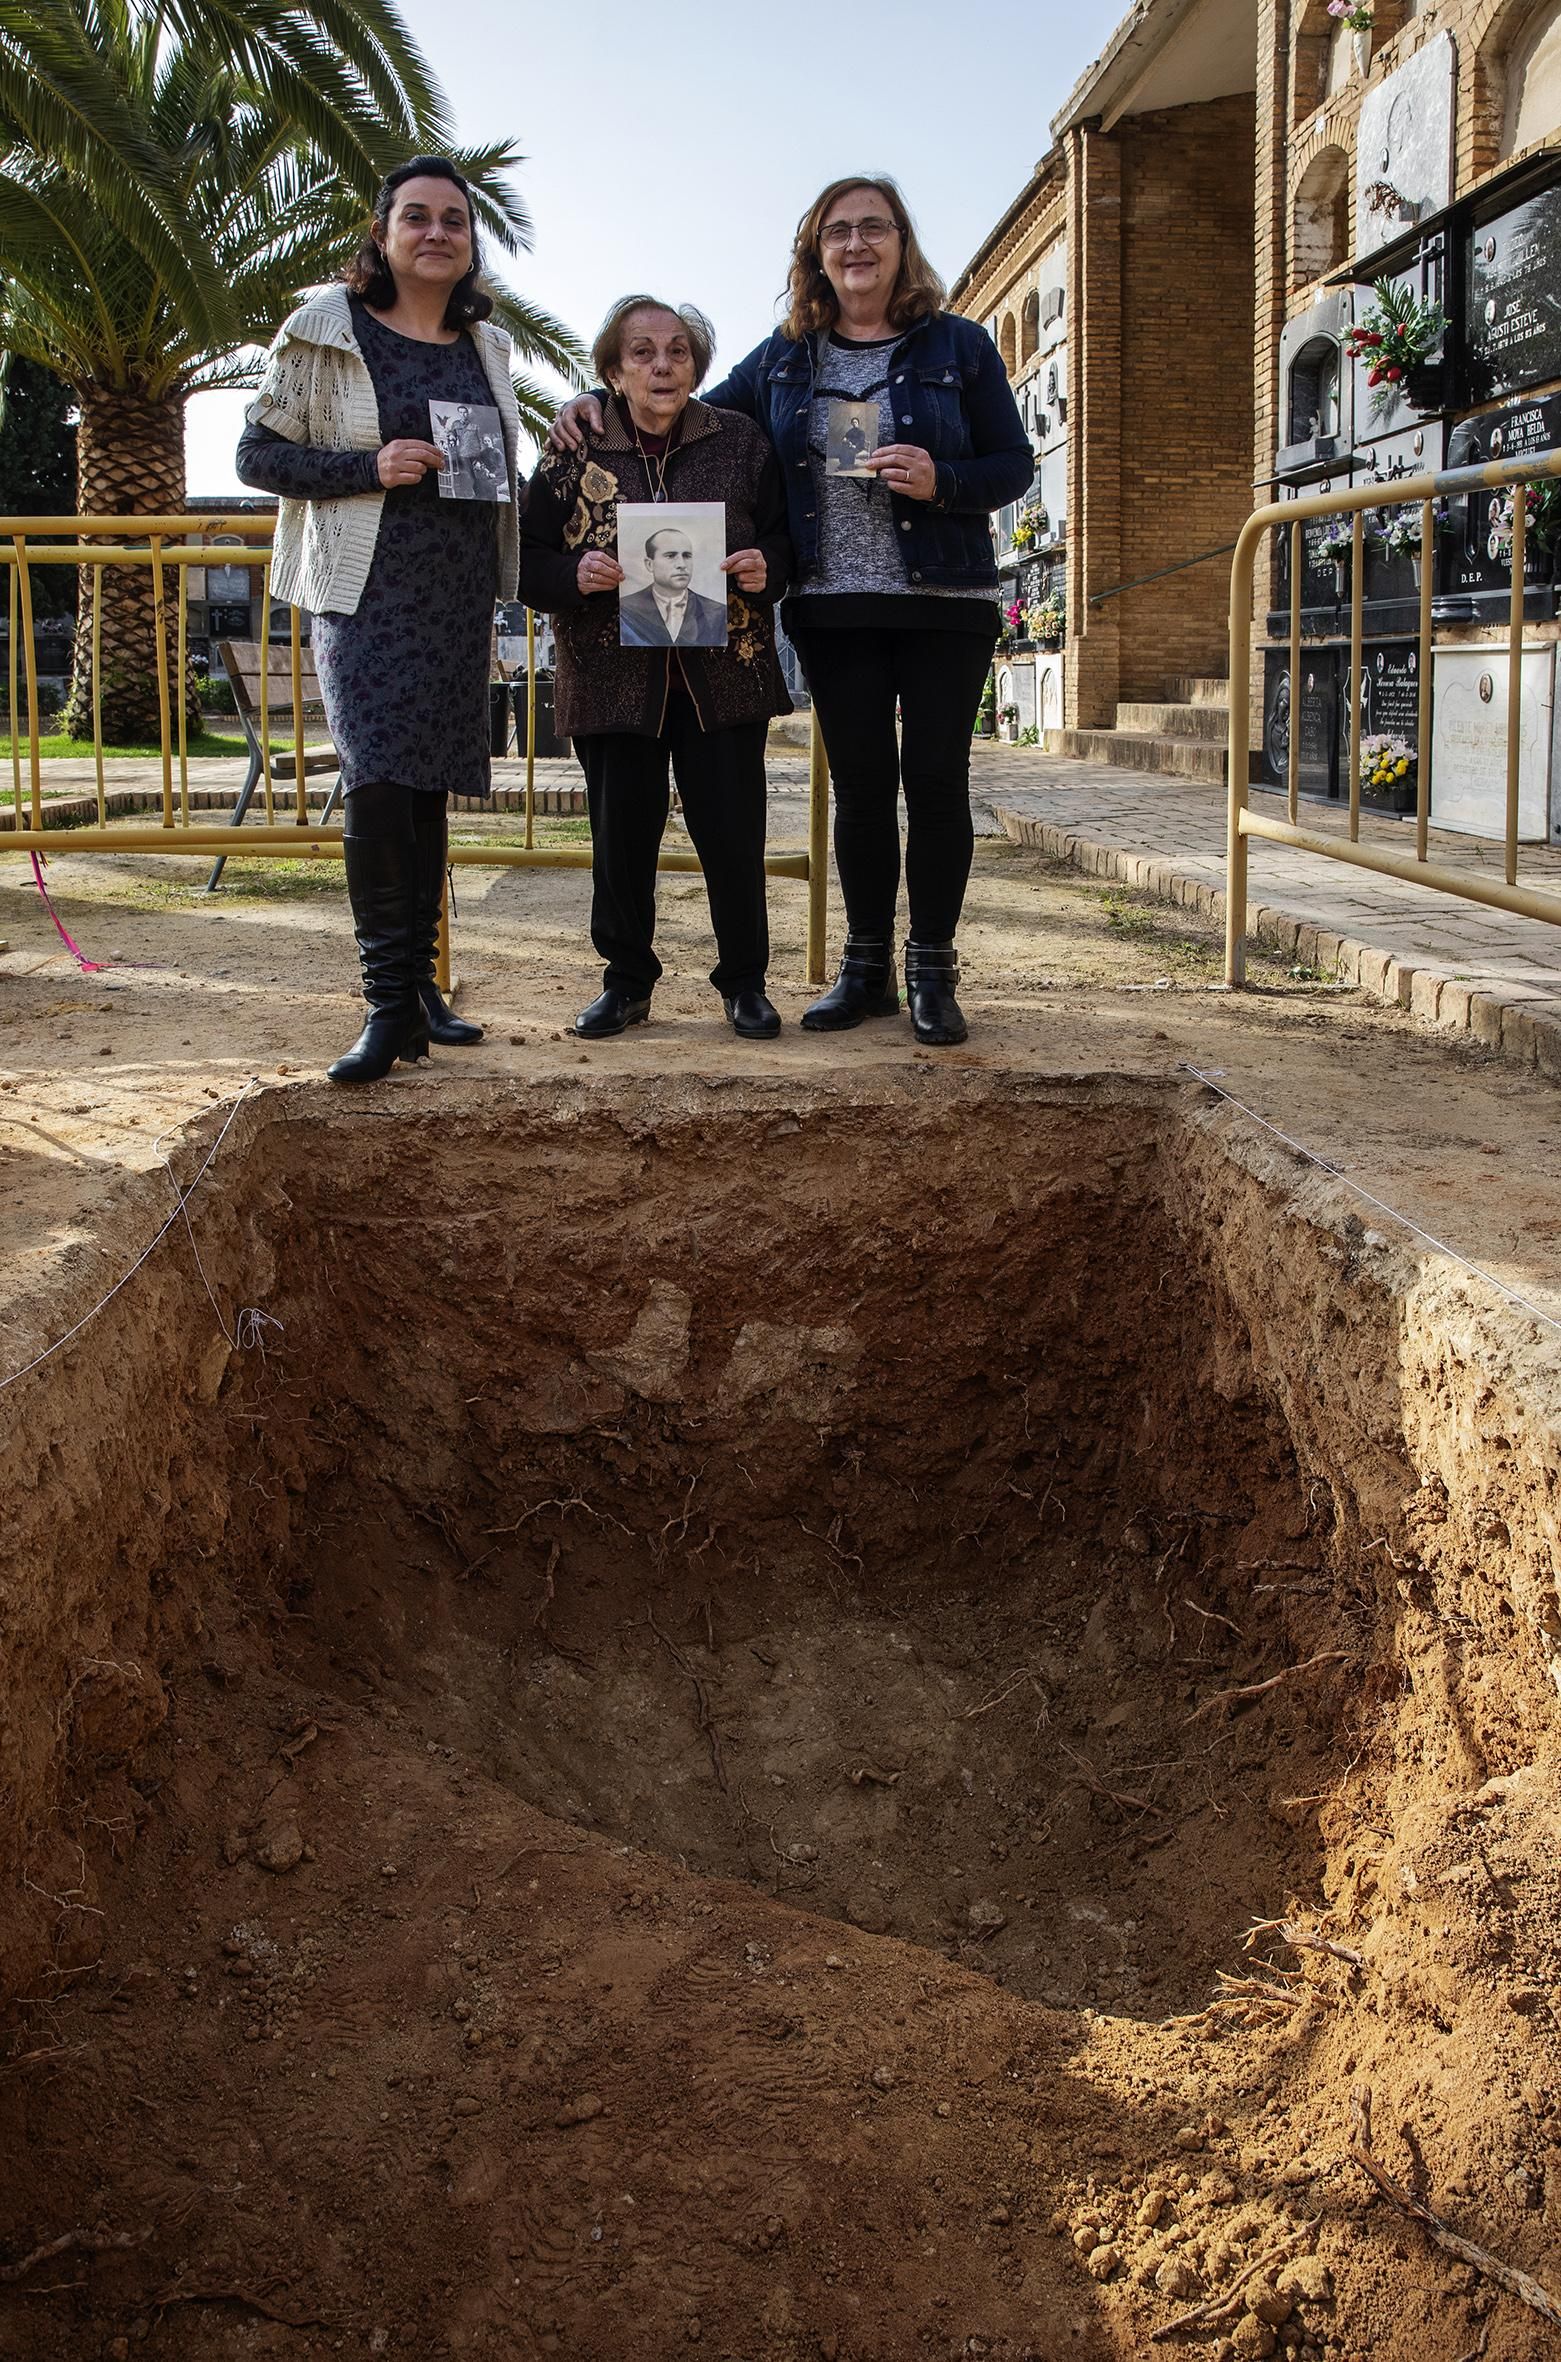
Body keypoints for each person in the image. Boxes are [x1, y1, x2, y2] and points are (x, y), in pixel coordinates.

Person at [552, 175, 1033, 1046]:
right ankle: (864, 970)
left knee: (933, 785)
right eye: (837, 231)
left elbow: (1013, 464)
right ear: (815, 252)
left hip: (944, 599)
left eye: (873, 228)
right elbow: (682, 406)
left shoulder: (959, 346)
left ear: (900, 241)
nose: (856, 245)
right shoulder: (783, 357)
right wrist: (590, 402)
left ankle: (931, 970)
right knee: (858, 792)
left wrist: (945, 481)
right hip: (833, 603)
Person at [236, 155, 521, 1083]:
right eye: (417, 217)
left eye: (453, 219)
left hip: (453, 595)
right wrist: (370, 467)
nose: (436, 232)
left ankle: (421, 987)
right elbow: (255, 454)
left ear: (470, 241)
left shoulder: (489, 348)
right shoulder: (326, 327)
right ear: (382, 232)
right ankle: (384, 1003)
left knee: (428, 785)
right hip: (362, 591)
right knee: (376, 784)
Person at [519, 294, 793, 1041]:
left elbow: (785, 540)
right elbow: (522, 560)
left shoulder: (741, 441)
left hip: (721, 678)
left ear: (697, 365)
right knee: (620, 839)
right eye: (641, 352)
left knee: (732, 837)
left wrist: (767, 564)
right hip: (611, 679)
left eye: (677, 350)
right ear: (612, 368)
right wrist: (571, 575)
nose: (661, 365)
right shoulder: (572, 448)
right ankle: (626, 983)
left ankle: (744, 984)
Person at [618, 527, 729, 648]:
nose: (682, 565)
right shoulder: (626, 607)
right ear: (649, 564)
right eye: (670, 556)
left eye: (687, 556)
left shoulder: (716, 612)